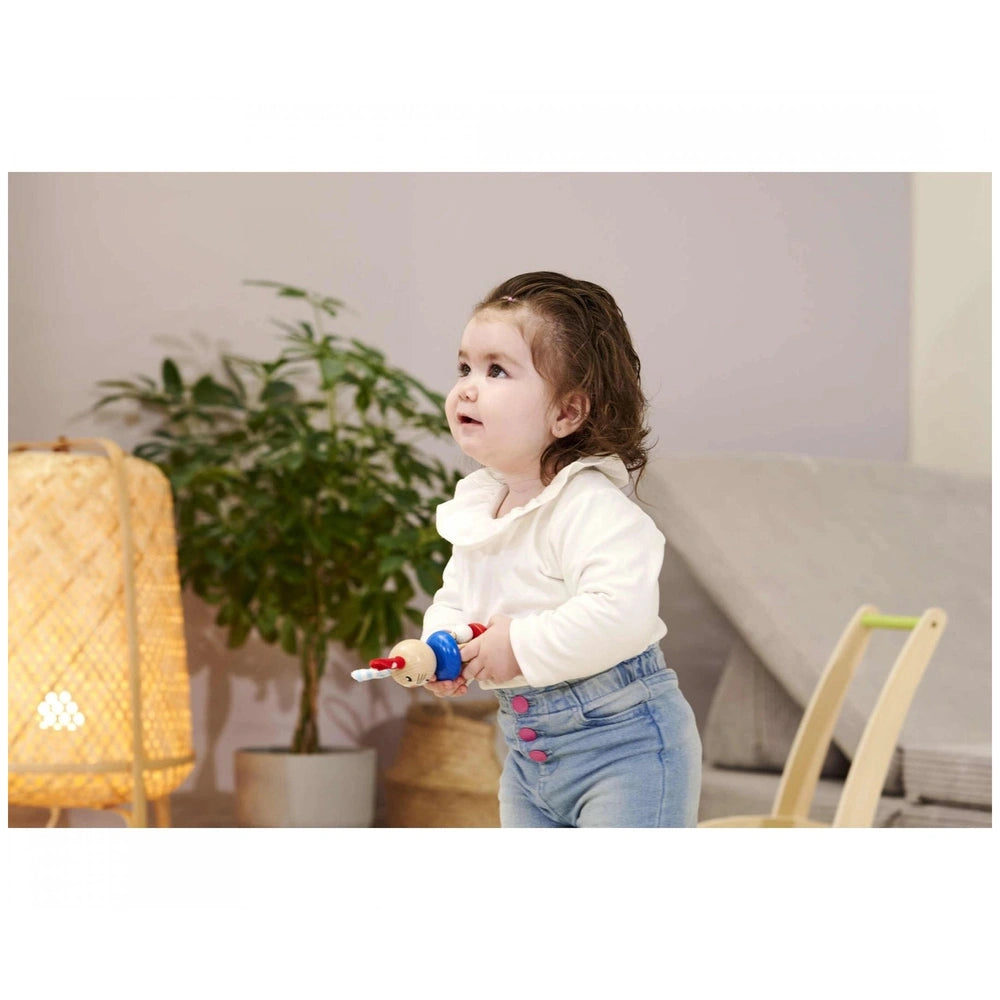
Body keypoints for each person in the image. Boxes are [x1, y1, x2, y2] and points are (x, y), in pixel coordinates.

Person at [422, 271, 702, 827]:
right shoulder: (483, 509)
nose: (467, 388)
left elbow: (618, 613)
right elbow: (457, 596)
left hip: (627, 752)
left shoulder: (591, 508)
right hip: (530, 756)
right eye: (464, 367)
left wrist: (518, 646)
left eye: (496, 370)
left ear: (566, 413)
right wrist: (442, 644)